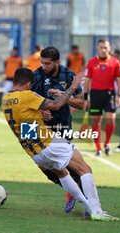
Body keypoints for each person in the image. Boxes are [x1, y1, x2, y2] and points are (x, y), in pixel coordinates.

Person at [2, 67, 119, 222]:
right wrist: (73, 85)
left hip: (33, 152)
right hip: (49, 143)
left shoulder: (6, 100)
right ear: (28, 84)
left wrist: (41, 115)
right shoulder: (27, 95)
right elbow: (57, 105)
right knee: (84, 169)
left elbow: (25, 121)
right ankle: (97, 210)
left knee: (62, 173)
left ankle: (88, 207)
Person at [31, 46, 84, 214]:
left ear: (57, 62)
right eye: (42, 62)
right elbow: (28, 102)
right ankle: (71, 189)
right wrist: (40, 112)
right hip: (38, 126)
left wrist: (65, 96)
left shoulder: (68, 76)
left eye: (47, 63)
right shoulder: (36, 76)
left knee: (70, 164)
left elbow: (81, 104)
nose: (44, 66)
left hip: (61, 125)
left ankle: (86, 200)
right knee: (42, 164)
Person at [83, 39, 120, 156]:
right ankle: (98, 148)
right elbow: (87, 81)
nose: (103, 50)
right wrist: (86, 98)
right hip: (95, 94)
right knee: (96, 120)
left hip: (109, 94)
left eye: (105, 47)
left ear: (109, 48)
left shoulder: (116, 62)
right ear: (97, 48)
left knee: (111, 119)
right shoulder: (91, 62)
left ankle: (107, 143)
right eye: (101, 47)